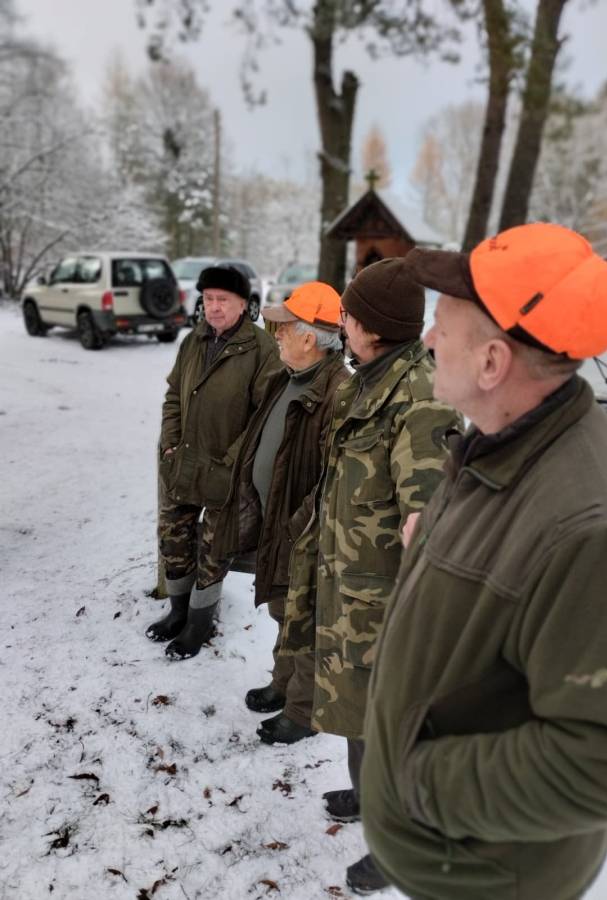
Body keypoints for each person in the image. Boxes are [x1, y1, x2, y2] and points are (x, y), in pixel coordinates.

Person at [360, 223, 607, 900]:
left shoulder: (594, 531)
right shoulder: (506, 439)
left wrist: (416, 783)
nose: (427, 338)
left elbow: (605, 762)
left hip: (486, 875)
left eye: (443, 325)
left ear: (491, 363)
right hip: (447, 852)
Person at [281, 259, 462, 895]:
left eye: (350, 316)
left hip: (389, 605)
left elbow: (431, 520)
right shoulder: (370, 380)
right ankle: (366, 797)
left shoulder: (420, 398)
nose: (343, 324)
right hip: (352, 588)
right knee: (359, 711)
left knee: (390, 728)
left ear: (374, 327)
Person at [213, 281, 348, 744]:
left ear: (309, 338)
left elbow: (334, 480)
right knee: (282, 610)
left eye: (285, 328)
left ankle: (303, 711)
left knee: (305, 621)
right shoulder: (287, 377)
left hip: (303, 535)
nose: (277, 335)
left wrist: (295, 528)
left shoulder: (339, 393)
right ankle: (283, 683)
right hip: (278, 528)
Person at [146, 265, 281, 660]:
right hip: (183, 462)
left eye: (223, 299)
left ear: (243, 304)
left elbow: (264, 415)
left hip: (225, 470)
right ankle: (178, 612)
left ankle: (200, 622)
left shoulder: (261, 349)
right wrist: (170, 446)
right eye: (208, 299)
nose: (215, 307)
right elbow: (174, 395)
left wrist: (232, 462)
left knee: (214, 550)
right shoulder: (193, 341)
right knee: (174, 538)